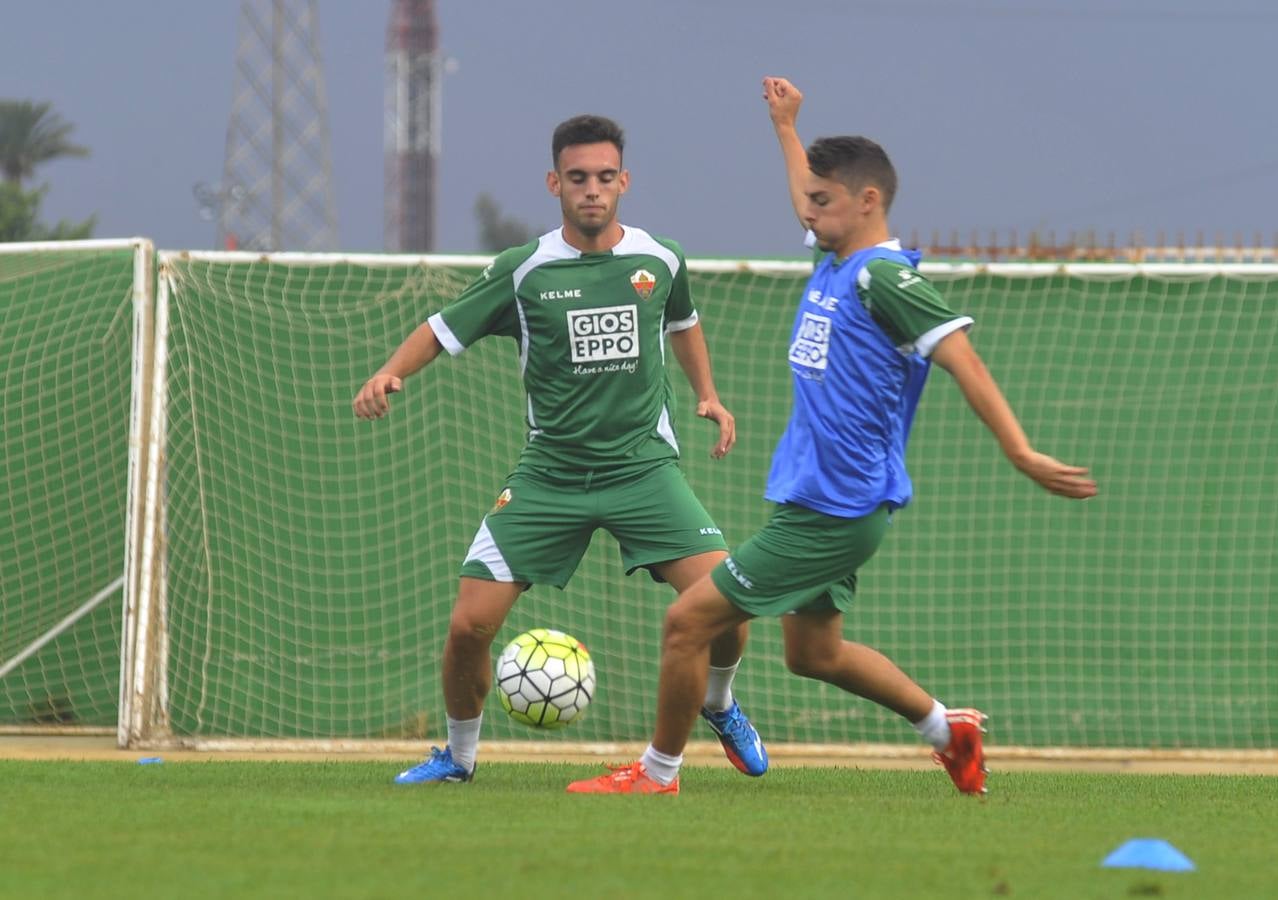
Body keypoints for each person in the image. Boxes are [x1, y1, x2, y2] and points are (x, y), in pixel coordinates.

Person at [567, 78, 1097, 796]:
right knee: (814, 652)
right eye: (809, 201)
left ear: (867, 202)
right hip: (819, 501)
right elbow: (805, 192)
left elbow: (960, 355)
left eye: (822, 202)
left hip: (834, 510)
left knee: (687, 623)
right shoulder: (835, 260)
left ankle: (657, 773)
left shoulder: (885, 278)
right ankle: (948, 730)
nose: (806, 212)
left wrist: (1020, 450)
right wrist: (787, 127)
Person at [354, 114, 768, 784]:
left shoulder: (659, 258)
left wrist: (709, 395)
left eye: (605, 177)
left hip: (642, 471)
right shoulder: (525, 271)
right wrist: (389, 370)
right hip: (549, 477)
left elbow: (683, 322)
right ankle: (458, 758)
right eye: (578, 178)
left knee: (729, 604)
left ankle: (719, 703)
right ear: (555, 183)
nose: (592, 191)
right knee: (468, 626)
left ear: (624, 181)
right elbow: (439, 326)